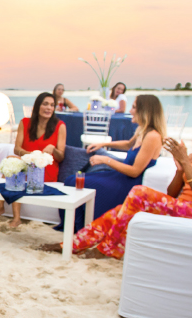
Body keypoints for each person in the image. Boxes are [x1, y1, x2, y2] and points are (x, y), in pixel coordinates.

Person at [47, 106, 192, 259]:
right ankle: (70, 245)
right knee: (117, 212)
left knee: (139, 192)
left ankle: (108, 249)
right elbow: (173, 195)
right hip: (183, 207)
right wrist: (180, 170)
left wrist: (185, 163)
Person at [56, 94, 165, 233]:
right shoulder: (142, 131)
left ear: (145, 111)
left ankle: (81, 229)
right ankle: (72, 227)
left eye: (133, 107)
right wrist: (103, 143)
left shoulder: (153, 136)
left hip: (128, 184)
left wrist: (105, 160)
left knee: (78, 183)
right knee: (71, 180)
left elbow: (135, 171)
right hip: (119, 176)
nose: (130, 111)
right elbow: (127, 144)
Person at [0, 92, 66, 227]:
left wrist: (53, 149)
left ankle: (4, 209)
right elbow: (16, 149)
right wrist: (30, 155)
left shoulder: (60, 126)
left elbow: (61, 157)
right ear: (37, 106)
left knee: (17, 169)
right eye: (45, 104)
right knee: (12, 161)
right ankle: (6, 210)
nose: (49, 108)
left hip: (44, 170)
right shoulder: (25, 123)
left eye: (52, 105)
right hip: (26, 164)